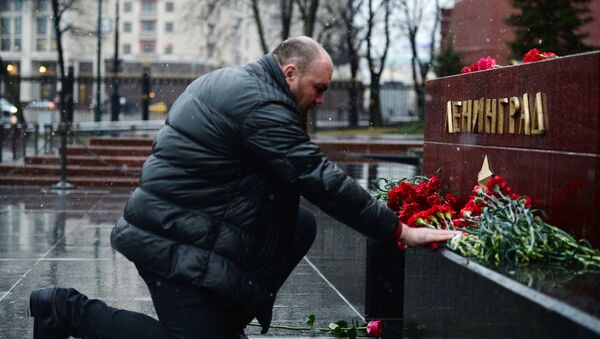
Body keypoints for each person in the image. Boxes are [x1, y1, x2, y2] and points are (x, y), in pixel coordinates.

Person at [29, 36, 459, 339]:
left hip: (190, 224)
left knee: (299, 225)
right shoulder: (259, 104)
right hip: (171, 240)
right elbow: (316, 175)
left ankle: (225, 322)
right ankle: (64, 308)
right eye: (319, 88)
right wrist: (399, 230)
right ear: (291, 73)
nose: (322, 99)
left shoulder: (242, 84)